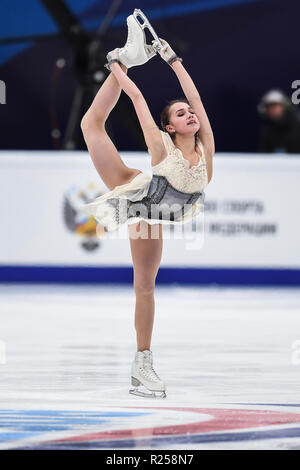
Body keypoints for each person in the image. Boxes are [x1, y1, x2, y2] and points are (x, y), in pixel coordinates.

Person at [80, 13, 214, 398]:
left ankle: (141, 365)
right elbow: (137, 97)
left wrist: (174, 62)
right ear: (170, 127)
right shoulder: (160, 145)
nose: (189, 114)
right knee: (144, 286)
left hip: (163, 208)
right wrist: (118, 67)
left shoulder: (207, 151)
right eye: (181, 114)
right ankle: (143, 364)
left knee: (147, 286)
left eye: (189, 113)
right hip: (140, 203)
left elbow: (197, 99)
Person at [258, 89, 300, 153]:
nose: (273, 110)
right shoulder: (267, 132)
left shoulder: (297, 126)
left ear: (284, 107)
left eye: (276, 106)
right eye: (270, 107)